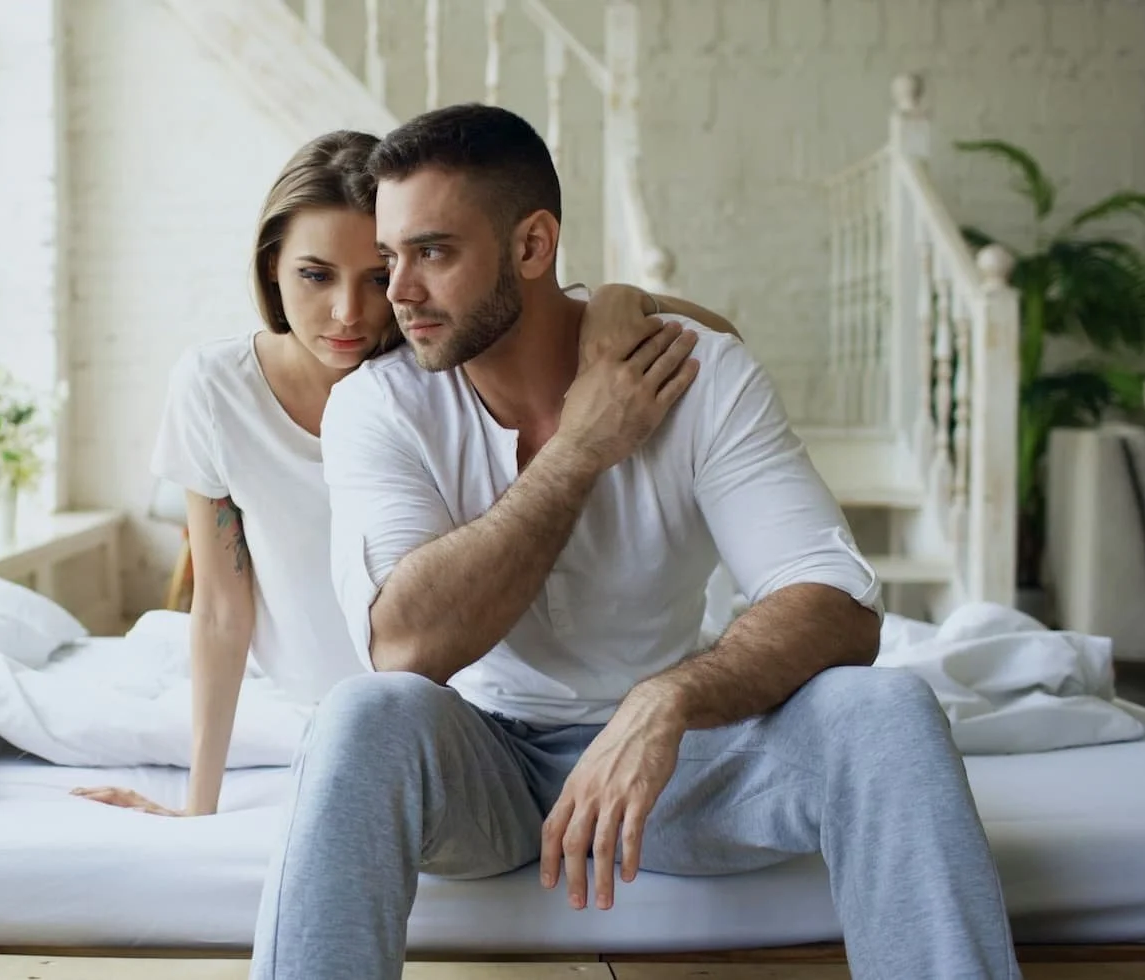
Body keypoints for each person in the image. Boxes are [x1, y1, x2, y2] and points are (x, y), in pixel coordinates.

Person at [248, 106, 1022, 980]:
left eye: (433, 252)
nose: (398, 293)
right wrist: (581, 450)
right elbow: (406, 646)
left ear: (533, 246)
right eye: (393, 257)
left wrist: (666, 703)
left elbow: (837, 603)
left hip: (684, 768)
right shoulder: (379, 405)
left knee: (885, 709)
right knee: (361, 713)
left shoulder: (697, 375)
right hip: (489, 768)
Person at [72, 130, 738, 819]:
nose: (348, 314)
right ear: (272, 266)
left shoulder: (444, 369)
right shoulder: (215, 389)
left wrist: (619, 301)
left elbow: (721, 340)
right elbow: (218, 608)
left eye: (376, 276)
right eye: (314, 274)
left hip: (464, 706)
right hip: (330, 705)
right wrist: (199, 807)